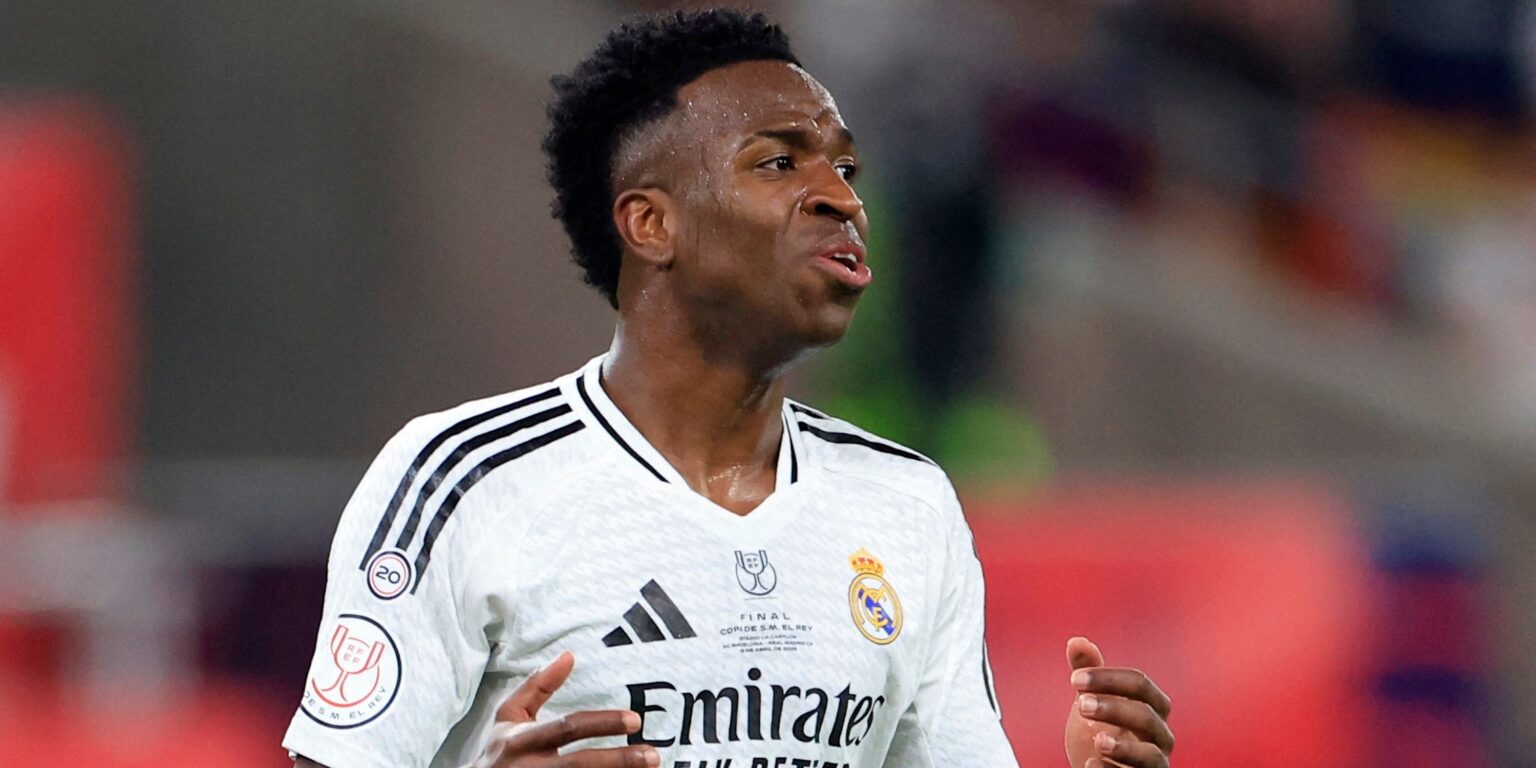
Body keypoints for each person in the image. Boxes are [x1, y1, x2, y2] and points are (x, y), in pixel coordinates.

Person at [282, 9, 1174, 768]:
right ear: (650, 223)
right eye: (779, 163)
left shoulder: (908, 503)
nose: (841, 199)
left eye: (846, 169)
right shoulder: (465, 480)